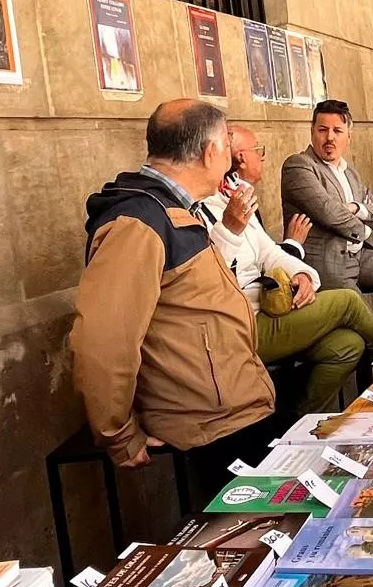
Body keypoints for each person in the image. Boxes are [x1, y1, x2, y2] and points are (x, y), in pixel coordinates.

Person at [70, 100, 275, 471]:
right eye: (228, 147)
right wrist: (119, 435)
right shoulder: (139, 222)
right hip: (204, 425)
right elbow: (103, 339)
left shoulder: (175, 208)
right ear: (211, 152)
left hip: (230, 410)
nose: (233, 159)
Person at [199, 156, 373, 416]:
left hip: (271, 304)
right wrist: (231, 230)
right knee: (348, 300)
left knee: (347, 345)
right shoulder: (192, 208)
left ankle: (303, 424)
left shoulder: (230, 195)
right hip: (240, 324)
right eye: (230, 151)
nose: (257, 158)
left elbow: (269, 252)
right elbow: (206, 283)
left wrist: (301, 274)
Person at [282, 100, 373, 300]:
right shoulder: (299, 166)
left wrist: (357, 208)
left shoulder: (349, 172)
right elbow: (330, 213)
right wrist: (365, 229)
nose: (329, 138)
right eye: (322, 130)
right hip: (330, 266)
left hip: (361, 257)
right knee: (369, 324)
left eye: (337, 131)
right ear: (312, 132)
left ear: (348, 137)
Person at [225, 124, 312, 259]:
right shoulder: (226, 201)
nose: (262, 157)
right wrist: (293, 244)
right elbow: (250, 264)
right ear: (242, 158)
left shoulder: (242, 193)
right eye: (257, 150)